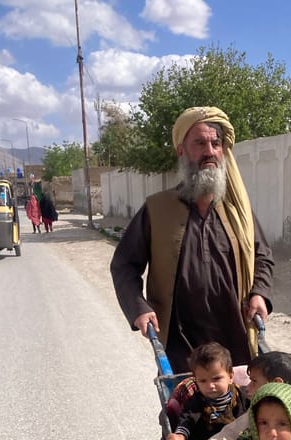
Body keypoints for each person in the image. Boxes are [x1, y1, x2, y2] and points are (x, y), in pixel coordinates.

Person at [110, 105, 274, 373]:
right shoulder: (157, 209)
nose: (209, 151)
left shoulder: (238, 211)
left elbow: (263, 256)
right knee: (185, 413)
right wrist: (138, 307)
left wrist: (260, 293)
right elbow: (124, 264)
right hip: (181, 345)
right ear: (181, 150)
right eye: (199, 142)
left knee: (240, 412)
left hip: (235, 340)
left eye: (216, 143)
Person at [165, 343, 248, 440]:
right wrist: (180, 436)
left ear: (230, 376)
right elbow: (187, 421)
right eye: (203, 381)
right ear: (196, 380)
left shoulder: (241, 396)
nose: (210, 386)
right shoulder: (197, 400)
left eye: (216, 379)